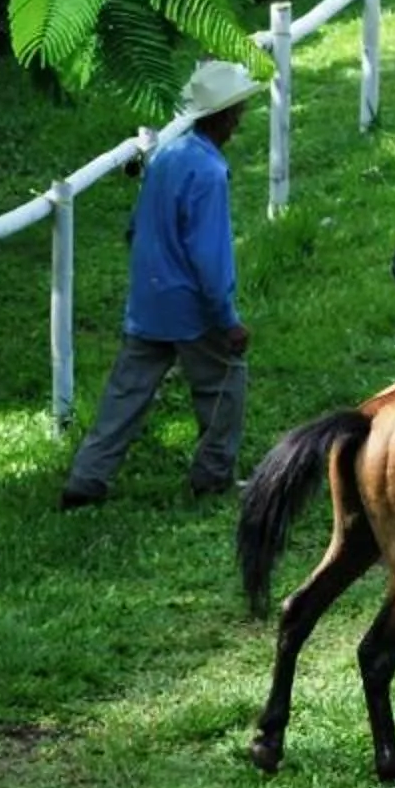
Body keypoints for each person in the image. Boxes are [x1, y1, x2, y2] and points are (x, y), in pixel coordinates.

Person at [60, 59, 258, 509]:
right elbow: (209, 257)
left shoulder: (167, 155)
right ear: (224, 115)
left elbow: (135, 227)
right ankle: (212, 476)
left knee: (126, 393)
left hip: (148, 301)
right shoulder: (209, 173)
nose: (241, 118)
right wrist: (227, 319)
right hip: (192, 307)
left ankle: (87, 477)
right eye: (238, 110)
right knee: (224, 381)